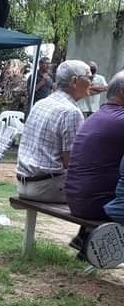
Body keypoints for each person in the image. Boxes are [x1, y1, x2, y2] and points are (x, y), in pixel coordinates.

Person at [62, 71, 124, 250]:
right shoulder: (119, 119)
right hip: (98, 205)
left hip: (79, 200)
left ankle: (85, 237)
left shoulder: (99, 115)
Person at [16, 60, 91, 204]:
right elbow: (70, 161)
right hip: (47, 187)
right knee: (105, 192)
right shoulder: (71, 112)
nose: (91, 82)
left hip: (23, 184)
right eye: (89, 77)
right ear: (74, 81)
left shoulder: (42, 103)